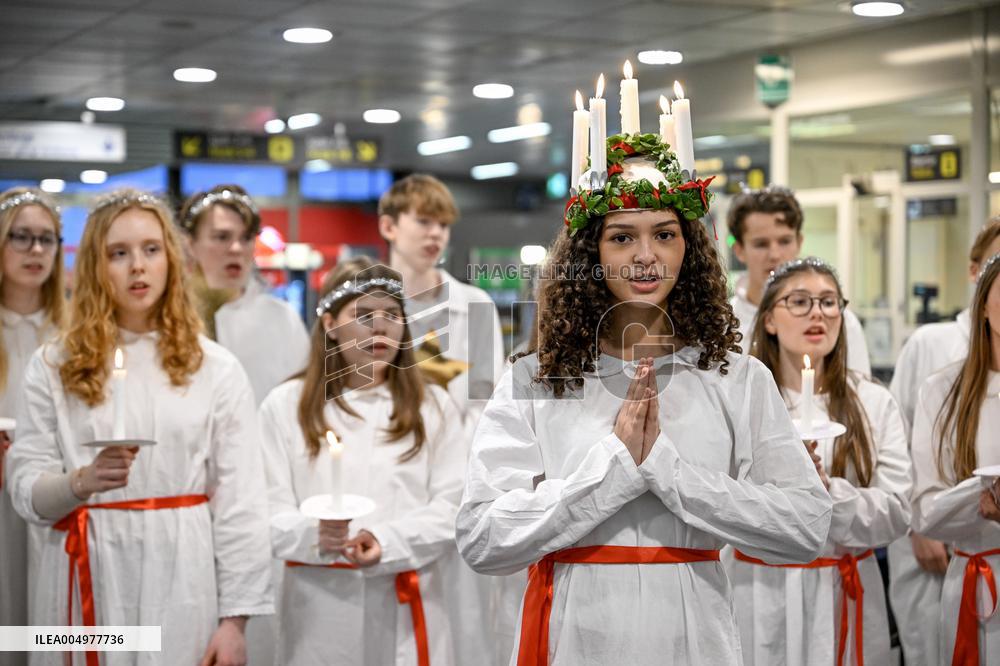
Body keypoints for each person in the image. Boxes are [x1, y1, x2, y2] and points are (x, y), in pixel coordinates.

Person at [457, 130, 832, 664]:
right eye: (621, 237)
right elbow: (481, 538)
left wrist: (670, 472)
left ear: (689, 247)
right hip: (577, 633)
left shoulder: (736, 377)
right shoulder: (536, 379)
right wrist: (612, 468)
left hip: (695, 637)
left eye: (664, 234)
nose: (645, 256)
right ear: (590, 250)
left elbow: (805, 527)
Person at [5, 189, 273, 666]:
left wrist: (235, 621)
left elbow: (241, 503)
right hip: (84, 570)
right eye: (118, 253)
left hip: (180, 578)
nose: (137, 267)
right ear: (94, 265)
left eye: (151, 249)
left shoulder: (216, 368)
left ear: (171, 258)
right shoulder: (54, 365)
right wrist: (80, 481)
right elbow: (25, 489)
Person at [259, 257, 466, 665]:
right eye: (364, 314)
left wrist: (388, 542)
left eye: (392, 314)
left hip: (405, 600)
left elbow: (453, 505)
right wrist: (317, 535)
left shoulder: (434, 406)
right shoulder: (284, 406)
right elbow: (263, 507)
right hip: (318, 605)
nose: (380, 327)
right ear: (331, 324)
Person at [727, 256, 910, 666]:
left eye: (829, 302)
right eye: (800, 301)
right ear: (769, 319)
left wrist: (828, 492)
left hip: (842, 587)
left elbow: (898, 511)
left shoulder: (872, 402)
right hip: (760, 589)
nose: (817, 313)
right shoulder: (739, 400)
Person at [378, 173, 506, 663]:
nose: (436, 235)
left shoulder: (472, 306)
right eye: (423, 221)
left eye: (444, 225)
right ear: (389, 226)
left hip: (455, 489)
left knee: (458, 629)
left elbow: (484, 407)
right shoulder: (367, 307)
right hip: (387, 480)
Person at [887, 218, 1000, 666]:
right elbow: (927, 505)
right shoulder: (945, 388)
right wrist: (980, 496)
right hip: (973, 570)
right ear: (982, 299)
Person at [0, 188, 66, 666]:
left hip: (54, 503)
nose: (36, 251)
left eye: (47, 239)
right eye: (21, 237)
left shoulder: (77, 332)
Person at [179, 184, 309, 405]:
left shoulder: (282, 319)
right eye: (222, 237)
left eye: (246, 238)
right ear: (190, 244)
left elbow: (302, 404)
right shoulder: (171, 318)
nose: (237, 248)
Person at [729, 185, 872, 377]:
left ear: (799, 242)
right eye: (761, 244)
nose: (775, 254)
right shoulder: (723, 324)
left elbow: (857, 394)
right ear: (739, 250)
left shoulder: (838, 320)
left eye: (784, 241)